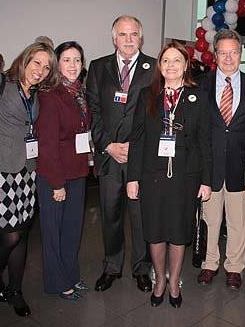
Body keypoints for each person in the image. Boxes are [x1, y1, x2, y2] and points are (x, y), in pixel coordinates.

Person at [0, 42, 58, 317]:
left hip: (26, 172)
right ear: (25, 59)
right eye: (36, 63)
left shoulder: (35, 94)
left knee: (23, 233)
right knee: (10, 236)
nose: (40, 70)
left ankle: (16, 290)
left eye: (46, 67)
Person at [127, 41, 212, 308]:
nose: (171, 65)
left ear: (186, 65)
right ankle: (159, 281)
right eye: (166, 61)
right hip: (152, 175)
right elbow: (137, 140)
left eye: (177, 60)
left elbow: (204, 141)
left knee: (178, 231)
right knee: (154, 231)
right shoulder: (147, 95)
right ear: (160, 66)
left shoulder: (197, 97)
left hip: (185, 177)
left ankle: (174, 280)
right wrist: (132, 177)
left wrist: (207, 180)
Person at [86, 15, 154, 293]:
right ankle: (112, 267)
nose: (128, 39)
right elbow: (92, 111)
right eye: (123, 34)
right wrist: (108, 145)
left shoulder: (154, 68)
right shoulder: (98, 67)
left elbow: (155, 116)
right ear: (114, 38)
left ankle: (141, 268)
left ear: (141, 37)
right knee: (111, 215)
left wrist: (135, 149)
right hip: (109, 156)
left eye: (133, 34)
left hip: (140, 159)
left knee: (140, 217)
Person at [197, 29, 245, 290]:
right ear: (215, 55)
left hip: (242, 168)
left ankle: (234, 267)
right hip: (209, 168)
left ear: (241, 54)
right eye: (223, 52)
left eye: (233, 52)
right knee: (210, 219)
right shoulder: (200, 85)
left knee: (239, 222)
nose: (228, 58)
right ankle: (209, 263)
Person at [35, 41, 91, 300]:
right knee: (53, 231)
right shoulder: (50, 95)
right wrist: (56, 183)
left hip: (77, 171)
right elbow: (46, 145)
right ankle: (57, 282)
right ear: (57, 63)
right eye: (67, 60)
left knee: (72, 228)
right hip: (54, 175)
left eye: (77, 60)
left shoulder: (79, 92)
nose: (73, 65)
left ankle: (71, 275)